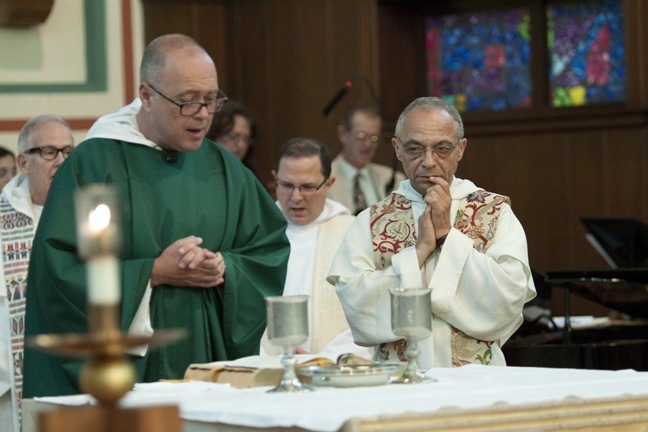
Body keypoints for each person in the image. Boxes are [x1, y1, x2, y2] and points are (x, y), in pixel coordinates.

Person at [23, 34, 290, 398]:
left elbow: (267, 250)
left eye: (211, 100)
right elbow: (58, 274)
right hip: (127, 376)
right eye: (186, 101)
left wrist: (225, 268)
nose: (202, 114)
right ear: (146, 95)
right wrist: (152, 273)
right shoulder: (94, 165)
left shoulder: (224, 167)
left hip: (207, 368)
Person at [327, 97, 536, 369]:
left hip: (477, 382)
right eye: (414, 148)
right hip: (398, 382)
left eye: (442, 149)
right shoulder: (370, 221)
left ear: (461, 149)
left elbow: (508, 301)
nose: (428, 161)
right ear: (397, 149)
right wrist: (418, 253)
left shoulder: (494, 213)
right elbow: (358, 308)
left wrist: (448, 237)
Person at [259, 137, 373, 358]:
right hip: (268, 365)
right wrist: (269, 355)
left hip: (334, 365)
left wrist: (324, 358)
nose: (296, 197)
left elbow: (368, 309)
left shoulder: (353, 233)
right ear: (275, 179)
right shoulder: (258, 232)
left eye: (308, 187)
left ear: (329, 184)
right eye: (287, 185)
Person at [0, 115, 74, 432]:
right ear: (23, 162)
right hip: (8, 388)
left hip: (72, 372)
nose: (60, 161)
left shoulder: (90, 216)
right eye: (48, 151)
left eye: (68, 152)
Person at [328, 103, 406, 215]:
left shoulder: (395, 180)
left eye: (374, 138)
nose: (368, 144)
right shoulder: (323, 180)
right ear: (343, 134)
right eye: (361, 136)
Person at [206, 100, 270, 190]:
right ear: (215, 136)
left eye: (246, 139)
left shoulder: (253, 178)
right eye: (233, 137)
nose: (241, 145)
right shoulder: (200, 172)